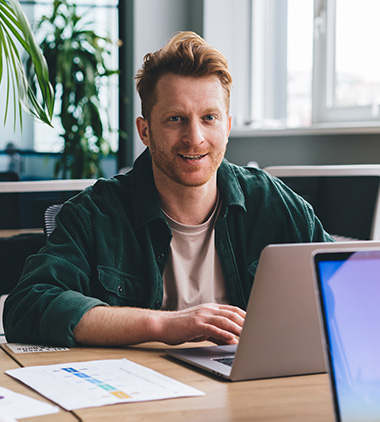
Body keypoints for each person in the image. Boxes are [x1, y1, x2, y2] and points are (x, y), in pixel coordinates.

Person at [3, 31, 333, 348]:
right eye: (176, 119)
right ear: (145, 130)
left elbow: (346, 287)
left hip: (250, 388)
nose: (195, 138)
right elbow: (28, 306)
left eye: (209, 118)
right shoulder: (94, 214)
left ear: (228, 127)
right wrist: (164, 325)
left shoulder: (276, 205)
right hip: (138, 393)